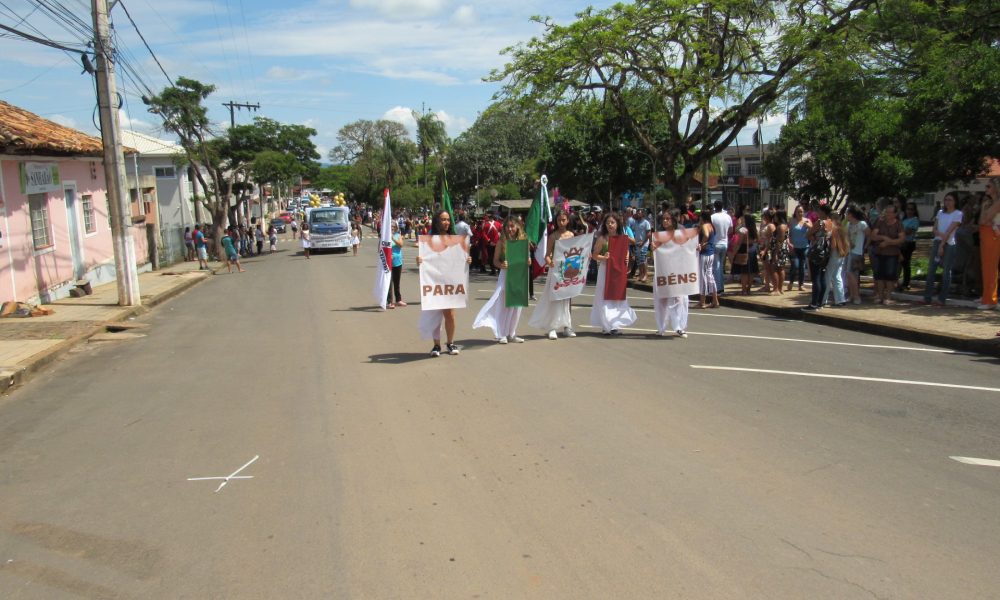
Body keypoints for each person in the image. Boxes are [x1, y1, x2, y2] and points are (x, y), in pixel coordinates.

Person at [417, 210, 472, 356]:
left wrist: (467, 260)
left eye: (448, 220)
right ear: (437, 221)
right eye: (443, 219)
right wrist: (420, 261)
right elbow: (425, 259)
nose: (446, 222)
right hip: (435, 282)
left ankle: (450, 342)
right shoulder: (429, 240)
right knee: (435, 314)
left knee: (450, 315)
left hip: (450, 282)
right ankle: (436, 345)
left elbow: (457, 259)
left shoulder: (455, 239)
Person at [474, 216, 529, 344]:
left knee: (517, 306)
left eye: (512, 226)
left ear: (517, 227)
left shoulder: (523, 241)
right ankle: (502, 333)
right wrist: (501, 265)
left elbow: (526, 259)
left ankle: (512, 333)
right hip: (506, 275)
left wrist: (528, 261)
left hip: (519, 276)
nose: (510, 229)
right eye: (508, 226)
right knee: (506, 305)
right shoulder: (501, 242)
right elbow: (495, 261)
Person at [529, 209, 577, 339]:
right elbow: (547, 255)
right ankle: (552, 327)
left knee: (567, 298)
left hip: (568, 270)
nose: (561, 222)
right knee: (554, 297)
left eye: (564, 220)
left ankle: (567, 326)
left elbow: (576, 252)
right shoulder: (553, 236)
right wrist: (550, 262)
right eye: (559, 220)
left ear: (568, 220)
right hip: (556, 271)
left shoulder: (572, 235)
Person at [652, 209, 699, 337]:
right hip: (664, 270)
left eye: (668, 218)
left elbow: (689, 247)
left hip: (679, 270)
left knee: (679, 298)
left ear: (673, 219)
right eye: (664, 219)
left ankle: (680, 326)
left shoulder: (682, 232)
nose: (665, 221)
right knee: (662, 299)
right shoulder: (660, 234)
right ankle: (661, 327)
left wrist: (696, 247)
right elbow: (654, 254)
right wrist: (653, 248)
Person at [590, 211, 637, 334]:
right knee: (605, 295)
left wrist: (627, 257)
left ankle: (615, 324)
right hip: (606, 270)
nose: (609, 225)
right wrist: (603, 257)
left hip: (618, 271)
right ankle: (606, 325)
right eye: (607, 223)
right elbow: (594, 255)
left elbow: (625, 251)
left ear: (617, 224)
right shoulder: (602, 239)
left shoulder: (622, 238)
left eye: (612, 222)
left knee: (617, 295)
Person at [918, 191, 963, 307]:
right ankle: (927, 297)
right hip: (937, 241)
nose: (947, 202)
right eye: (946, 200)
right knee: (931, 270)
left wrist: (942, 245)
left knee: (946, 272)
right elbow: (934, 229)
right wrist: (940, 236)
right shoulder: (940, 212)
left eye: (950, 200)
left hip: (949, 244)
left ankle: (941, 298)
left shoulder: (958, 214)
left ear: (955, 202)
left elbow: (950, 231)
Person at [868, 204, 906, 305]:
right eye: (886, 212)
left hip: (892, 253)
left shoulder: (899, 224)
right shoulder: (880, 223)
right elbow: (873, 236)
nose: (887, 214)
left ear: (895, 214)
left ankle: (888, 297)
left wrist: (889, 242)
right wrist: (883, 238)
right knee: (878, 275)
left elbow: (901, 239)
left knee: (890, 275)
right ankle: (880, 296)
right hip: (879, 252)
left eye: (890, 212)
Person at [803, 205, 834, 311]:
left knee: (815, 278)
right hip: (826, 251)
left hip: (817, 250)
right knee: (822, 277)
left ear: (822, 212)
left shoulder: (820, 222)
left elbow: (807, 234)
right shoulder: (831, 223)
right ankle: (820, 302)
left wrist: (812, 236)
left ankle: (814, 303)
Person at [978, 178, 1000, 310]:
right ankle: (988, 296)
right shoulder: (992, 202)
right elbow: (982, 221)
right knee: (986, 267)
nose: (986, 188)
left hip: (992, 235)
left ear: (995, 189)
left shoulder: (997, 203)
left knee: (990, 267)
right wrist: (983, 208)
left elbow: (983, 220)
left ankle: (990, 299)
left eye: (988, 186)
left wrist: (983, 210)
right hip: (987, 233)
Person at [728, 213, 759, 296]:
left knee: (744, 271)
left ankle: (744, 289)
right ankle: (748, 289)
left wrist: (733, 254)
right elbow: (757, 240)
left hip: (744, 249)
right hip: (752, 249)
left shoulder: (743, 230)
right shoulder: (754, 229)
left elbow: (739, 243)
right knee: (751, 271)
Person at [695, 210, 719, 309]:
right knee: (710, 276)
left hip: (705, 253)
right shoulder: (711, 225)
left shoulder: (705, 226)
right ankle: (715, 300)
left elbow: (706, 235)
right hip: (711, 252)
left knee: (703, 277)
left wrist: (701, 243)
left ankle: (702, 302)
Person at [845, 206, 868, 304]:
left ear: (851, 214)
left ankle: (856, 295)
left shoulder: (862, 224)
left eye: (847, 213)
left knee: (851, 273)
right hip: (849, 251)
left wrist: (865, 247)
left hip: (857, 252)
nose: (846, 215)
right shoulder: (848, 225)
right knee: (850, 275)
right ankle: (851, 295)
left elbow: (870, 235)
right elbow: (846, 237)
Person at [786, 204, 811, 292]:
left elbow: (813, 231)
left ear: (803, 212)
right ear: (795, 212)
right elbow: (787, 234)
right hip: (794, 247)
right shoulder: (791, 221)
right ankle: (791, 282)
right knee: (795, 265)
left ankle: (801, 284)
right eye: (798, 212)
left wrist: (808, 226)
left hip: (804, 247)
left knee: (802, 266)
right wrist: (789, 243)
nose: (800, 213)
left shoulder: (807, 221)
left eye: (801, 212)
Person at [825, 217, 850, 307]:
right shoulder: (842, 230)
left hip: (834, 255)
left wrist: (827, 239)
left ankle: (823, 299)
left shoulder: (834, 230)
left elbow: (833, 245)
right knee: (837, 277)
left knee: (828, 277)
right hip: (841, 255)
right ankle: (840, 299)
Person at [898, 202, 920, 291]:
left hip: (908, 244)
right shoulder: (903, 219)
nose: (909, 211)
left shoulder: (914, 220)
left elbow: (908, 231)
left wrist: (898, 232)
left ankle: (906, 283)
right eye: (908, 209)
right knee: (899, 263)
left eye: (911, 209)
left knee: (906, 264)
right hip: (900, 242)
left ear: (914, 210)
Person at [386, 222, 406, 308]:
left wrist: (393, 238)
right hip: (388, 262)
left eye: (394, 226)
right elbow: (380, 249)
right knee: (388, 283)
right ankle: (389, 302)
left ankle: (398, 300)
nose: (392, 228)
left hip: (398, 262)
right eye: (391, 226)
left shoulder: (398, 235)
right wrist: (387, 256)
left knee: (397, 282)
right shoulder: (385, 236)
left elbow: (401, 245)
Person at [769, 209, 789, 294]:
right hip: (782, 249)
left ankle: (776, 288)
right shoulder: (784, 225)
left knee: (774, 268)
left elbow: (779, 241)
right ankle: (780, 288)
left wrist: (776, 254)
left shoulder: (781, 227)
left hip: (779, 250)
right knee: (781, 268)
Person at [757, 210, 775, 293]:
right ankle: (766, 285)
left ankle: (767, 286)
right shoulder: (765, 225)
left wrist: (765, 250)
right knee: (766, 267)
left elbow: (770, 240)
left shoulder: (771, 226)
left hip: (766, 249)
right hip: (761, 247)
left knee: (768, 268)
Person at [632, 209, 652, 283]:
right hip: (637, 243)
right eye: (637, 213)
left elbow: (649, 233)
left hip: (644, 243)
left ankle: (645, 274)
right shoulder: (636, 223)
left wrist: (643, 242)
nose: (638, 214)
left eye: (640, 213)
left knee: (643, 260)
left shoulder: (646, 223)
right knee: (639, 260)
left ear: (642, 214)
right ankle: (641, 274)